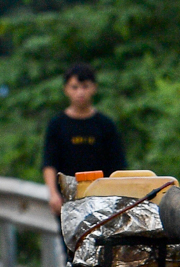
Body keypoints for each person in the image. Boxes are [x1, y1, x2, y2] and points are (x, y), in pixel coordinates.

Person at [42, 62, 128, 214]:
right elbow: (49, 162)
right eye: (75, 87)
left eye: (85, 86)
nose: (80, 92)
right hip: (68, 200)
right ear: (66, 89)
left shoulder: (105, 125)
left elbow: (118, 165)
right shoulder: (57, 124)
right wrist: (53, 194)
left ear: (94, 88)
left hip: (102, 200)